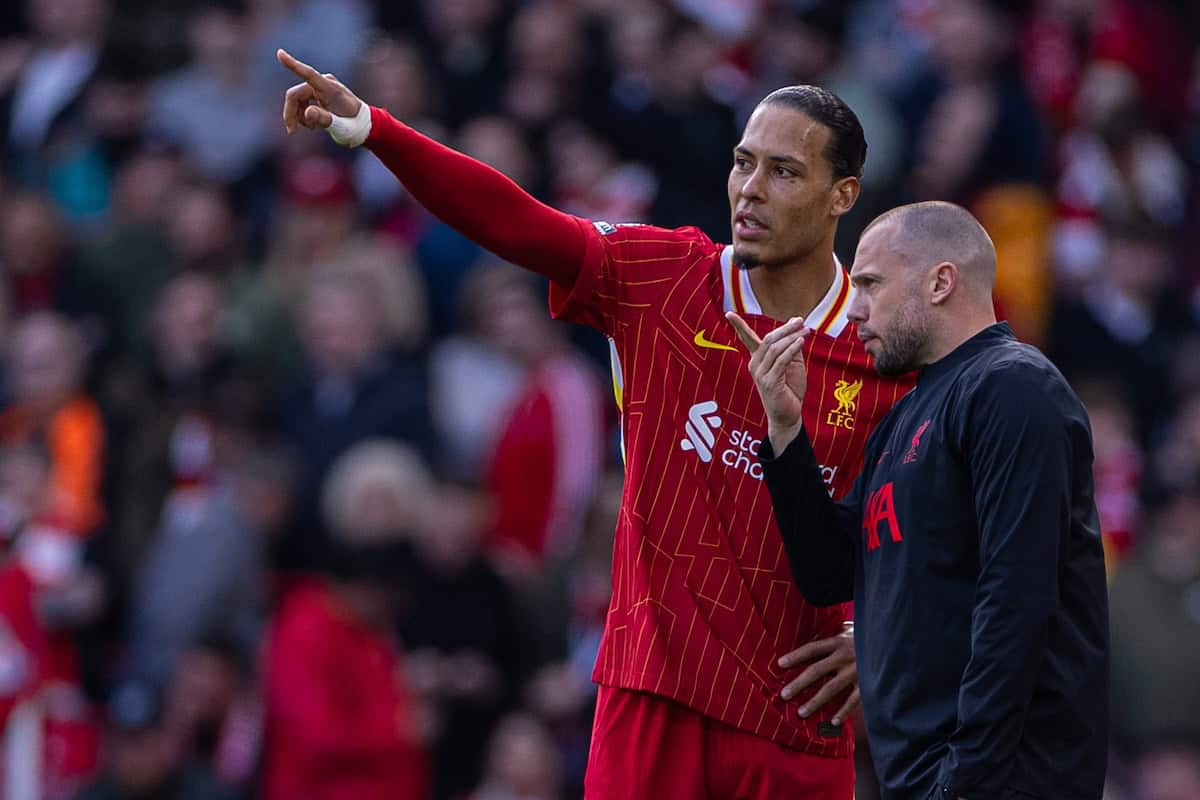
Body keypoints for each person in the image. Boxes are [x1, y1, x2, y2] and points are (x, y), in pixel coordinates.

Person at [276, 48, 913, 798]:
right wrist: (371, 129)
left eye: (783, 172)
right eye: (743, 163)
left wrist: (874, 637)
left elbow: (942, 537)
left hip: (792, 724)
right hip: (651, 695)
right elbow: (516, 222)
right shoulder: (661, 278)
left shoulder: (885, 356)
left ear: (842, 195)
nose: (750, 190)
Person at [728, 201, 1108, 799]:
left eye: (871, 284)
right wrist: (785, 429)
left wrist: (963, 778)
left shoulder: (1012, 388)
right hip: (928, 776)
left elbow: (1016, 602)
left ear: (941, 282)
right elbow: (829, 571)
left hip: (1001, 778)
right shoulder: (903, 418)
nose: (854, 310)